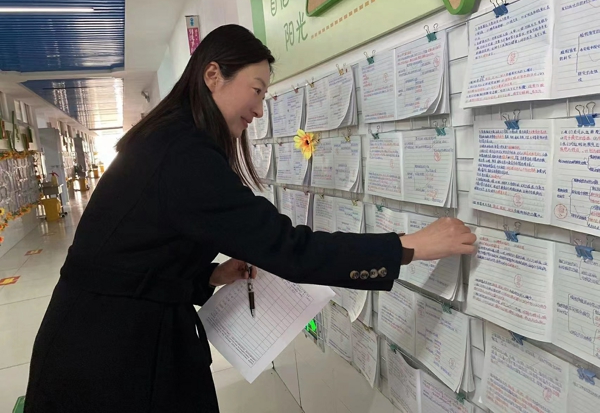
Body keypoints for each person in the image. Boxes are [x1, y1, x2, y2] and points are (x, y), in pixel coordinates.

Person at [24, 24, 476, 413]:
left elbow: (134, 252)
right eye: (257, 90)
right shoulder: (183, 153)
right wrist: (407, 247)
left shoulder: (171, 138)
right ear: (213, 75)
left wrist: (208, 276)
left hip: (108, 334)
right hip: (110, 355)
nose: (260, 109)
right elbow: (289, 248)